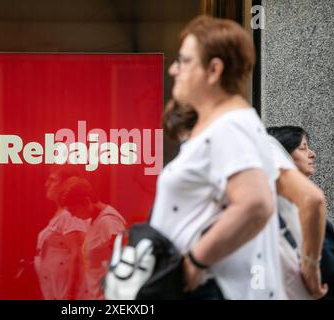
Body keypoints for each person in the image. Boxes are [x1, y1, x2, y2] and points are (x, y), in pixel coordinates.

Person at [150, 15, 284, 300]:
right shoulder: (227, 124)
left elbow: (256, 203)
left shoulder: (230, 126)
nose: (174, 69)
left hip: (213, 289)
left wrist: (195, 261)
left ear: (213, 70)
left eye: (184, 61)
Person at [268, 126, 331, 299]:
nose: (312, 154)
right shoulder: (299, 211)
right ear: (283, 156)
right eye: (302, 148)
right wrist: (311, 266)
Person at [58, 176, 126, 299]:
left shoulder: (109, 223)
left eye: (73, 210)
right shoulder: (95, 221)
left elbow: (125, 262)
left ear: (86, 201)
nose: (72, 215)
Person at [34, 166, 90, 299]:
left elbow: (78, 256)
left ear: (67, 184)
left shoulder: (70, 215)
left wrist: (70, 296)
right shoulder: (61, 215)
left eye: (53, 180)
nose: (46, 184)